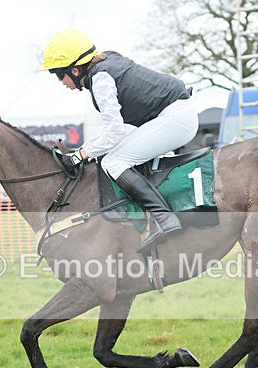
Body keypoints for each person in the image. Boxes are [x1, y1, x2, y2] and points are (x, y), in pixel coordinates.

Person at [41, 29, 198, 252]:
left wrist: (79, 156)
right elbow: (116, 132)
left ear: (74, 70)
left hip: (176, 118)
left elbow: (114, 131)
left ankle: (165, 218)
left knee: (112, 162)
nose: (61, 82)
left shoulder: (101, 78)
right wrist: (86, 151)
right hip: (174, 114)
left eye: (59, 75)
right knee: (112, 156)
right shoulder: (105, 63)